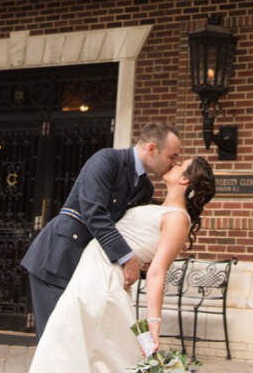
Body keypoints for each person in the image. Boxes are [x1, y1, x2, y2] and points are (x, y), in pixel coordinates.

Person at [2, 155, 223, 373]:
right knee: (65, 361)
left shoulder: (177, 218)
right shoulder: (150, 200)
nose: (172, 164)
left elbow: (158, 272)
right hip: (87, 278)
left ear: (185, 180)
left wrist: (153, 326)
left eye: (179, 164)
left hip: (102, 290)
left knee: (80, 364)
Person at [21, 121, 182, 337]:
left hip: (89, 265)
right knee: (56, 337)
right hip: (57, 258)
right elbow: (94, 213)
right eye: (172, 156)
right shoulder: (107, 160)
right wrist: (126, 258)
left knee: (79, 339)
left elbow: (129, 227)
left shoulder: (145, 187)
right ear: (152, 148)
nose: (174, 163)